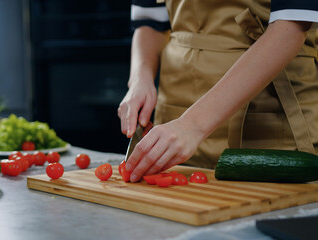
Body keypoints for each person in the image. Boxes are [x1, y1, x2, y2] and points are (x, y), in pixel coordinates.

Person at [118, 0, 318, 182]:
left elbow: (290, 27)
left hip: (270, 121)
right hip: (176, 116)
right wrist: (140, 78)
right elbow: (151, 21)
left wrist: (193, 124)